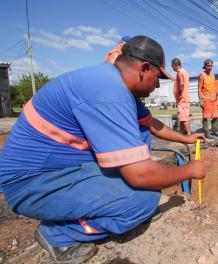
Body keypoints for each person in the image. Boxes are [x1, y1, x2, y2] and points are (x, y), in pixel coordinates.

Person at [0, 36, 206, 264]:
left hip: (55, 169)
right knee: (143, 199)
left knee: (140, 134)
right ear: (144, 68)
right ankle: (58, 234)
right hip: (30, 184)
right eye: (157, 78)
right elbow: (141, 176)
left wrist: (186, 138)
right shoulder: (110, 94)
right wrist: (189, 170)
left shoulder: (115, 83)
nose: (157, 85)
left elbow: (151, 123)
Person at [198, 59, 218, 138]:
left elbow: (215, 87)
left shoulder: (213, 75)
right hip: (206, 99)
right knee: (206, 117)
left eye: (211, 66)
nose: (210, 67)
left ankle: (215, 131)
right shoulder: (202, 75)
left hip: (213, 99)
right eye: (208, 66)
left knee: (215, 116)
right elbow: (199, 88)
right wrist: (200, 100)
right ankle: (207, 133)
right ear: (205, 66)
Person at [171, 58, 191, 135]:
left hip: (182, 99)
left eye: (172, 67)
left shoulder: (179, 72)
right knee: (182, 118)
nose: (173, 68)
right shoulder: (185, 72)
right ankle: (181, 134)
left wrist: (179, 93)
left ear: (174, 65)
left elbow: (182, 83)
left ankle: (189, 135)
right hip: (185, 99)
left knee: (184, 119)